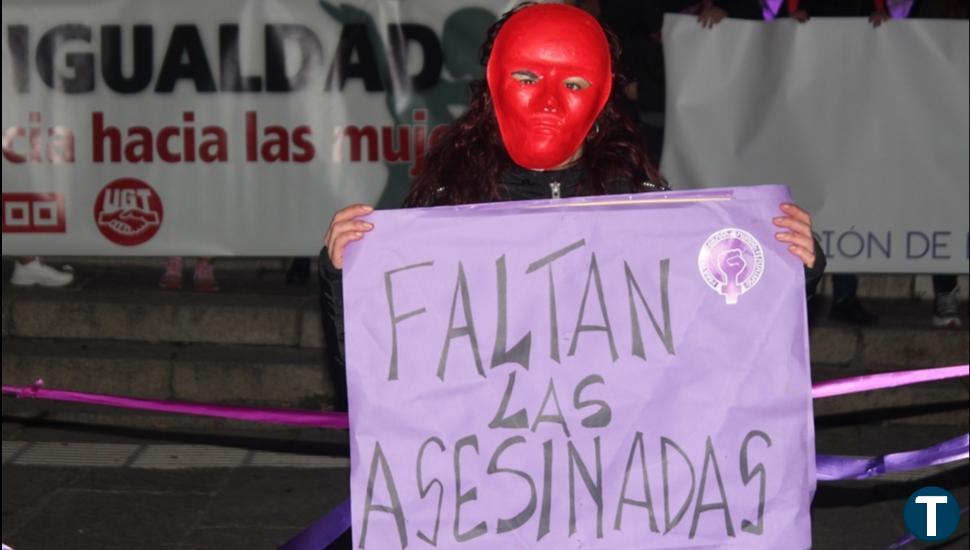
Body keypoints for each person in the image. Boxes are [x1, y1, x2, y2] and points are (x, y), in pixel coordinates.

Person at [319, 2, 825, 411]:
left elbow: (713, 341)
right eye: (526, 79)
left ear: (602, 96)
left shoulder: (644, 207)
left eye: (575, 84)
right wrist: (344, 275)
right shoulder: (445, 206)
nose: (548, 104)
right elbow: (383, 368)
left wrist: (786, 266)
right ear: (494, 88)